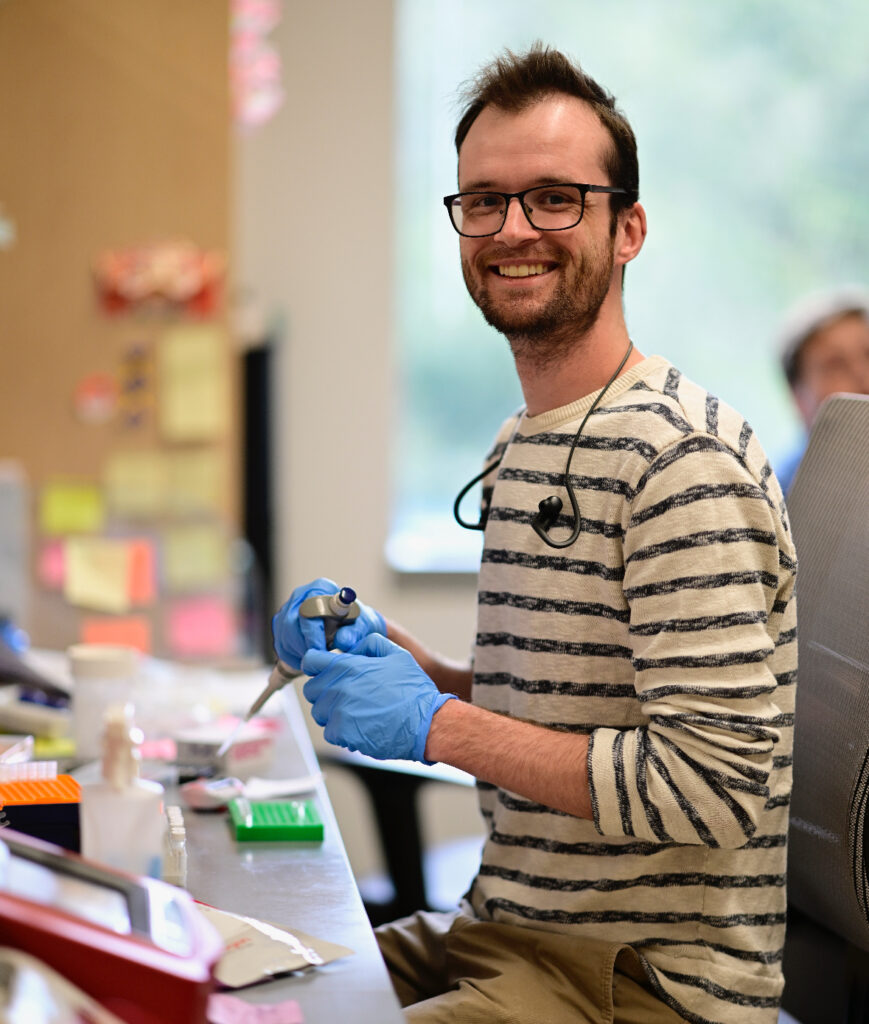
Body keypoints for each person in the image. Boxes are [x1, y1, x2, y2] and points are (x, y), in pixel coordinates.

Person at [273, 44, 798, 1024]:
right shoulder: (525, 439)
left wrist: (435, 725)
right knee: (224, 988)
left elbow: (710, 786)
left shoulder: (675, 460)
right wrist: (418, 669)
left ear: (627, 226)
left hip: (643, 982)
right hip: (503, 925)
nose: (512, 229)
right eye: (483, 200)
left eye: (555, 197)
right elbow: (578, 707)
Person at [776, 284, 869, 492]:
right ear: (798, 397)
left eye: (868, 354)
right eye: (836, 365)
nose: (864, 378)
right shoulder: (776, 497)